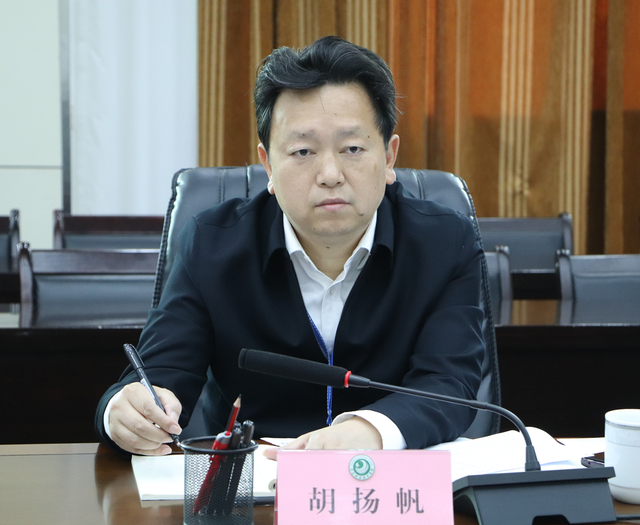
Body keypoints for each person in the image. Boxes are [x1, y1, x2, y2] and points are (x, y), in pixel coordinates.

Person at [95, 35, 485, 456]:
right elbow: (160, 374)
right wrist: (126, 412)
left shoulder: (444, 243)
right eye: (302, 151)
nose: (330, 174)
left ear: (389, 158)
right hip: (252, 481)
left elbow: (449, 383)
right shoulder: (212, 245)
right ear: (268, 165)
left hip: (390, 476)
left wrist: (370, 432)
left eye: (353, 148)